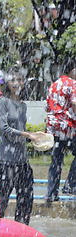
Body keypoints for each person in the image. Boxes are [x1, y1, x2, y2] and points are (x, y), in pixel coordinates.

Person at [0, 66, 41, 225]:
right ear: (7, 82)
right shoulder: (2, 102)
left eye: (20, 79)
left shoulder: (23, 105)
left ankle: (20, 236)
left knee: (26, 200)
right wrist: (26, 134)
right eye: (12, 80)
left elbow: (21, 131)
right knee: (1, 202)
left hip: (22, 162)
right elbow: (4, 129)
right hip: (5, 162)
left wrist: (34, 137)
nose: (16, 83)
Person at [44, 58, 76, 202]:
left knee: (56, 161)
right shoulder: (73, 84)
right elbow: (75, 104)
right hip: (67, 127)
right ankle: (70, 186)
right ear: (72, 70)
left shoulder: (54, 85)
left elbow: (47, 107)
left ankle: (51, 194)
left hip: (54, 128)